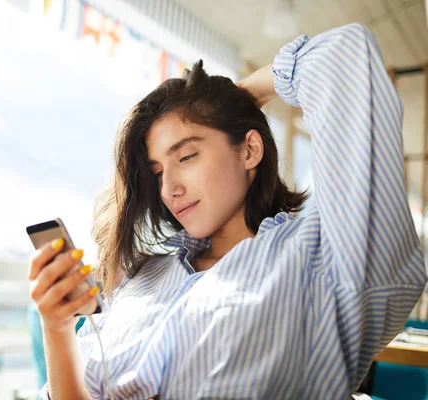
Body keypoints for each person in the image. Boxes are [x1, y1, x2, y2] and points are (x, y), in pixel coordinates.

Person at [28, 23, 428, 399]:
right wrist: (57, 327)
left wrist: (243, 94)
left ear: (250, 149)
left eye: (186, 155)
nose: (169, 188)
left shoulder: (322, 259)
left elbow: (344, 56)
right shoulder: (144, 277)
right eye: (157, 172)